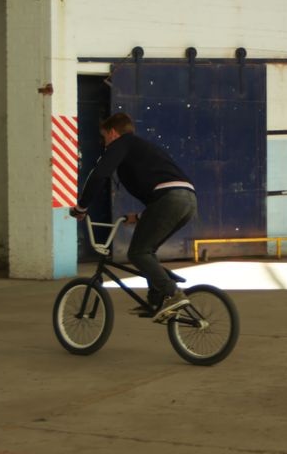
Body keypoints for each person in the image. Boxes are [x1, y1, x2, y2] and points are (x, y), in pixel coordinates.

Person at [70, 112, 197, 322]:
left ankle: (173, 293)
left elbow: (99, 174)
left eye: (104, 138)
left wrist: (81, 207)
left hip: (170, 200)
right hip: (188, 201)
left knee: (138, 253)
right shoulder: (142, 147)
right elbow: (160, 188)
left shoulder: (121, 144)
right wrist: (138, 217)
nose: (104, 143)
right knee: (148, 250)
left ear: (112, 133)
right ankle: (156, 301)